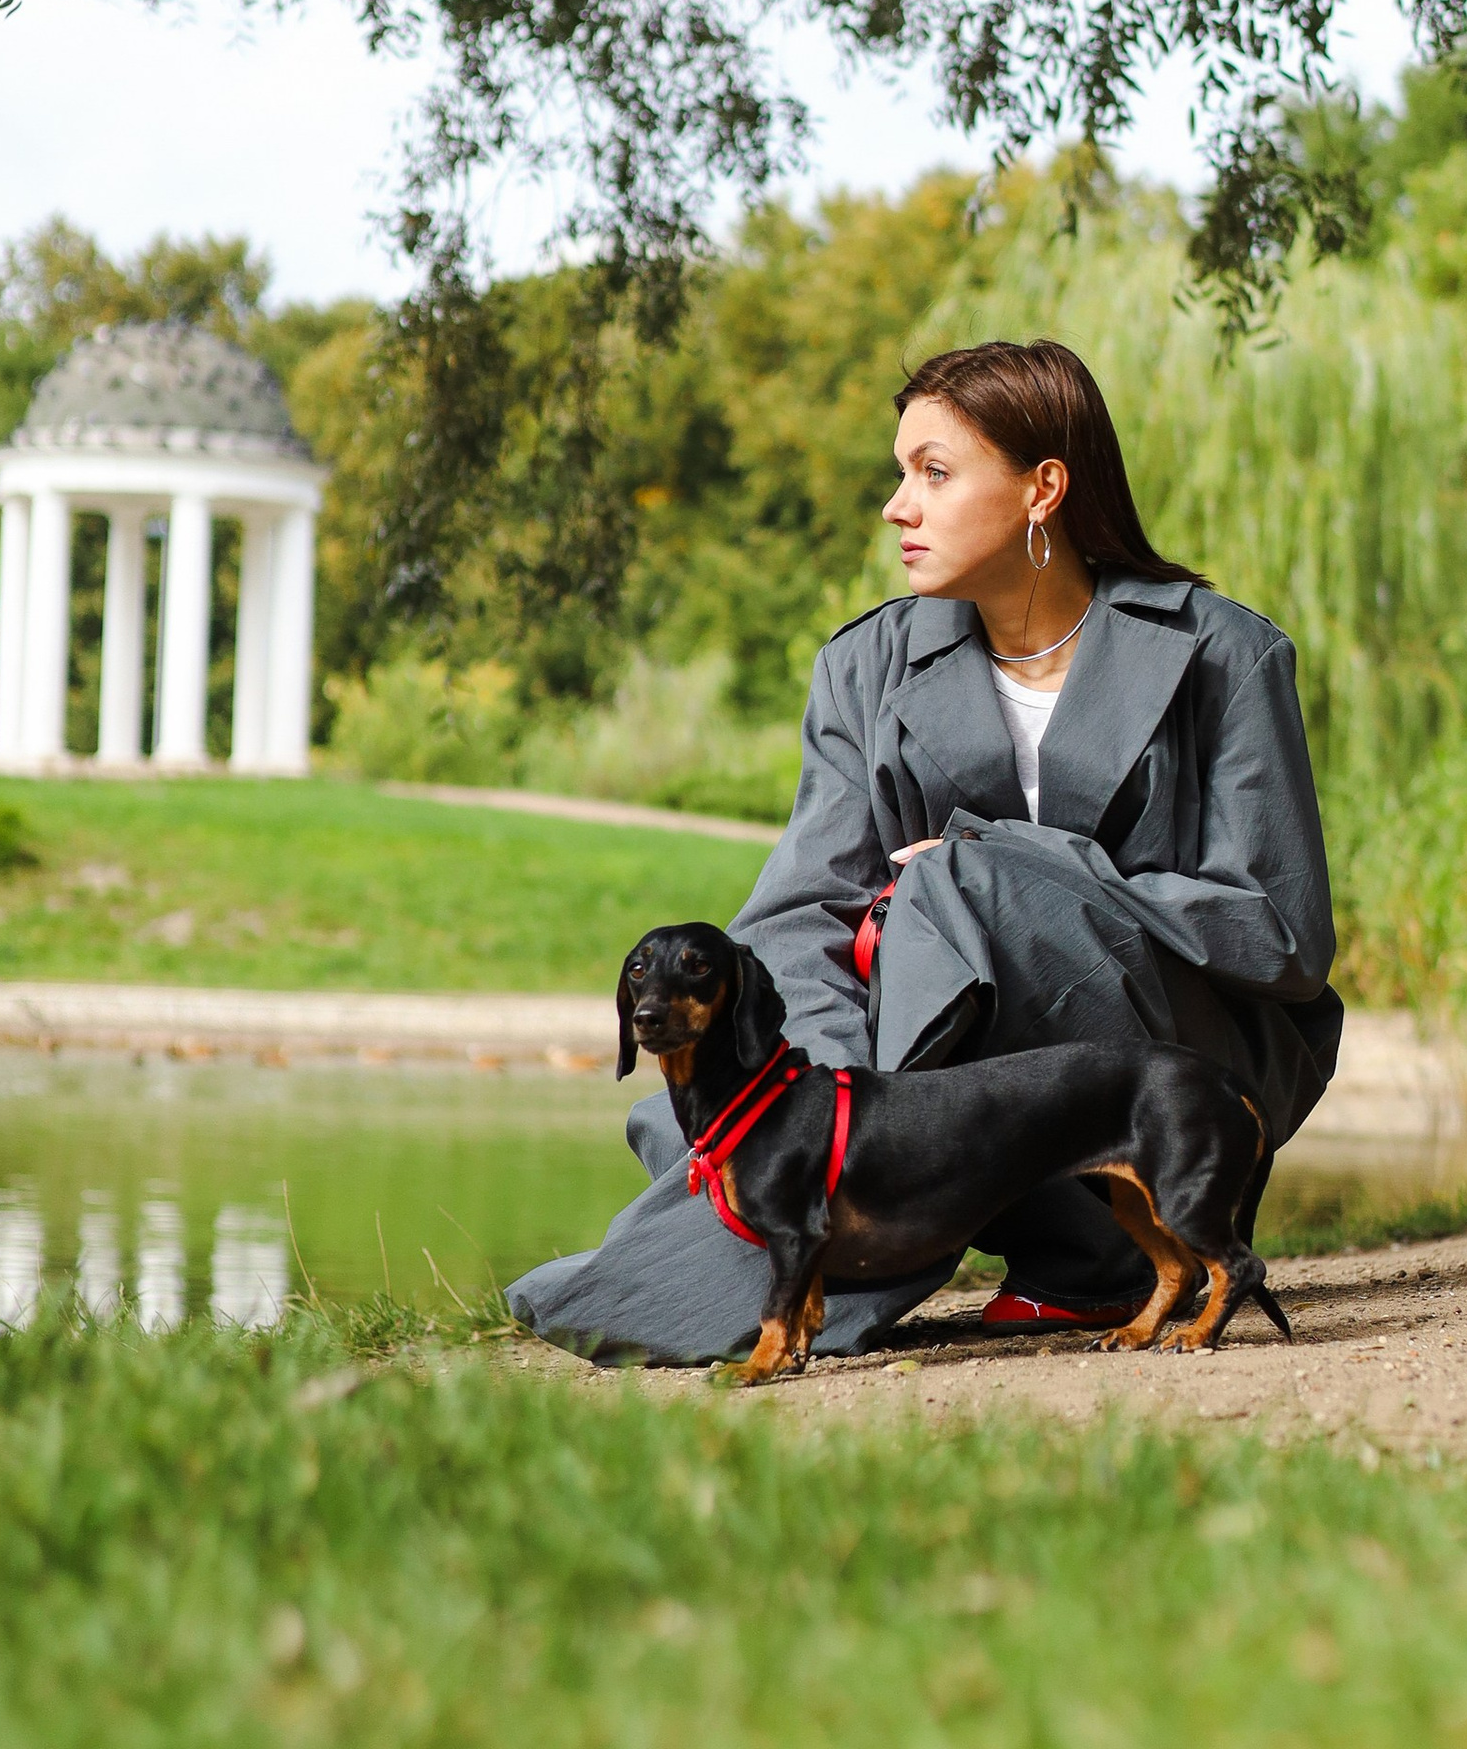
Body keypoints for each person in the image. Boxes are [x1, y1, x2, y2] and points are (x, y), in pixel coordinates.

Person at [507, 336, 1344, 1364]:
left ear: (1043, 489)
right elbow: (797, 920)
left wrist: (1016, 864)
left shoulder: (1222, 651)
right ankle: (823, 1210)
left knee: (958, 881)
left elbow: (1282, 933)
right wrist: (812, 1100)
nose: (897, 506)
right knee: (768, 1103)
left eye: (933, 474)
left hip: (1172, 1074)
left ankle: (896, 1253)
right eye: (899, 473)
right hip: (956, 1115)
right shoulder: (865, 668)